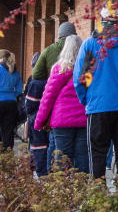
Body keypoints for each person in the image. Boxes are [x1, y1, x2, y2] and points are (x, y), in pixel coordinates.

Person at [74, 3, 118, 185]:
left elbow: (82, 79)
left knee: (97, 154)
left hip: (98, 106)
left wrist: (87, 99)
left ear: (102, 21)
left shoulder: (91, 45)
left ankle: (99, 196)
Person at [34, 34, 89, 173]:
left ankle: (63, 191)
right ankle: (82, 189)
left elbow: (48, 97)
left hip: (62, 120)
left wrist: (39, 121)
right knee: (82, 158)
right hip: (83, 119)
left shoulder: (60, 69)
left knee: (62, 158)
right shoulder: (88, 71)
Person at [24, 52, 49, 176]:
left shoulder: (35, 83)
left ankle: (41, 173)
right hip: (50, 119)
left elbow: (29, 105)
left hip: (36, 119)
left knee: (38, 147)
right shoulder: (51, 79)